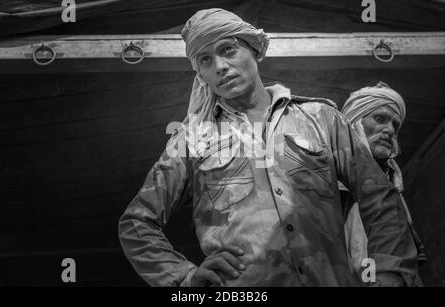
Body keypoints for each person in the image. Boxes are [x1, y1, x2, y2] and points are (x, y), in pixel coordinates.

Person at [118, 8, 418, 287]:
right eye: (205, 60)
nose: (220, 66)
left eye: (228, 49)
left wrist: (389, 273)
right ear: (201, 75)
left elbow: (381, 199)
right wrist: (184, 276)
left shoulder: (320, 118)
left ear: (254, 49)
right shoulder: (192, 140)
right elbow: (136, 222)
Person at [341, 81, 427, 286]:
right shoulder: (330, 181)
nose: (389, 129)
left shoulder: (392, 185)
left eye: (395, 125)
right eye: (380, 119)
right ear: (355, 122)